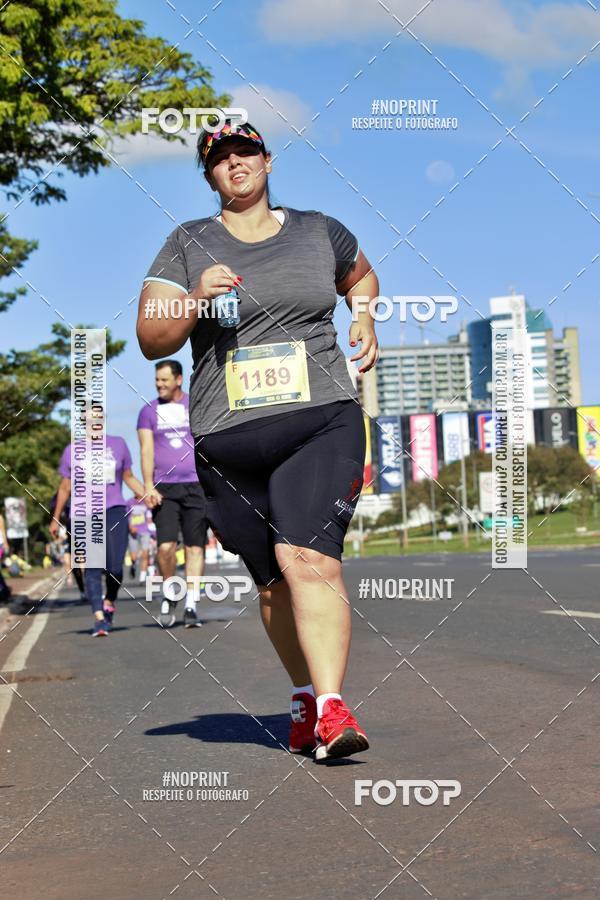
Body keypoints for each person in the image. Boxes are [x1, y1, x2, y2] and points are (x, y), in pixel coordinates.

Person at [136, 118, 379, 761]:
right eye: (220, 158)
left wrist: (364, 315)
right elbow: (150, 338)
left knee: (308, 558)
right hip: (228, 438)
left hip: (321, 419)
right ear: (209, 174)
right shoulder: (187, 242)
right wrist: (192, 299)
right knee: (271, 579)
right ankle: (302, 695)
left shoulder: (319, 230)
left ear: (267, 161)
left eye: (246, 151)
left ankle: (331, 708)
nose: (235, 163)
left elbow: (360, 276)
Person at [50, 434, 146, 636]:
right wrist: (56, 517)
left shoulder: (118, 444)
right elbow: (65, 487)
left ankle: (109, 600)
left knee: (115, 568)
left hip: (114, 510)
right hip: (84, 512)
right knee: (93, 567)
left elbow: (128, 477)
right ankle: (99, 618)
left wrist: (148, 494)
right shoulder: (72, 451)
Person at [137, 360, 207, 628]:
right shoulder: (148, 412)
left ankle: (191, 604)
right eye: (157, 380)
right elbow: (146, 449)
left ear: (179, 380)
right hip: (163, 489)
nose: (159, 384)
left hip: (196, 485)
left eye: (164, 380)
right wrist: (147, 484)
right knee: (165, 547)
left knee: (195, 548)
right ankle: (169, 591)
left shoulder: (195, 405)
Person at [126, 495, 156, 582]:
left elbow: (149, 517)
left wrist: (153, 531)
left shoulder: (146, 502)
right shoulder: (129, 502)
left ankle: (142, 576)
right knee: (134, 556)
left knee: (145, 553)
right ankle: (133, 565)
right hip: (133, 532)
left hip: (145, 531)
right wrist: (130, 526)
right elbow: (126, 516)